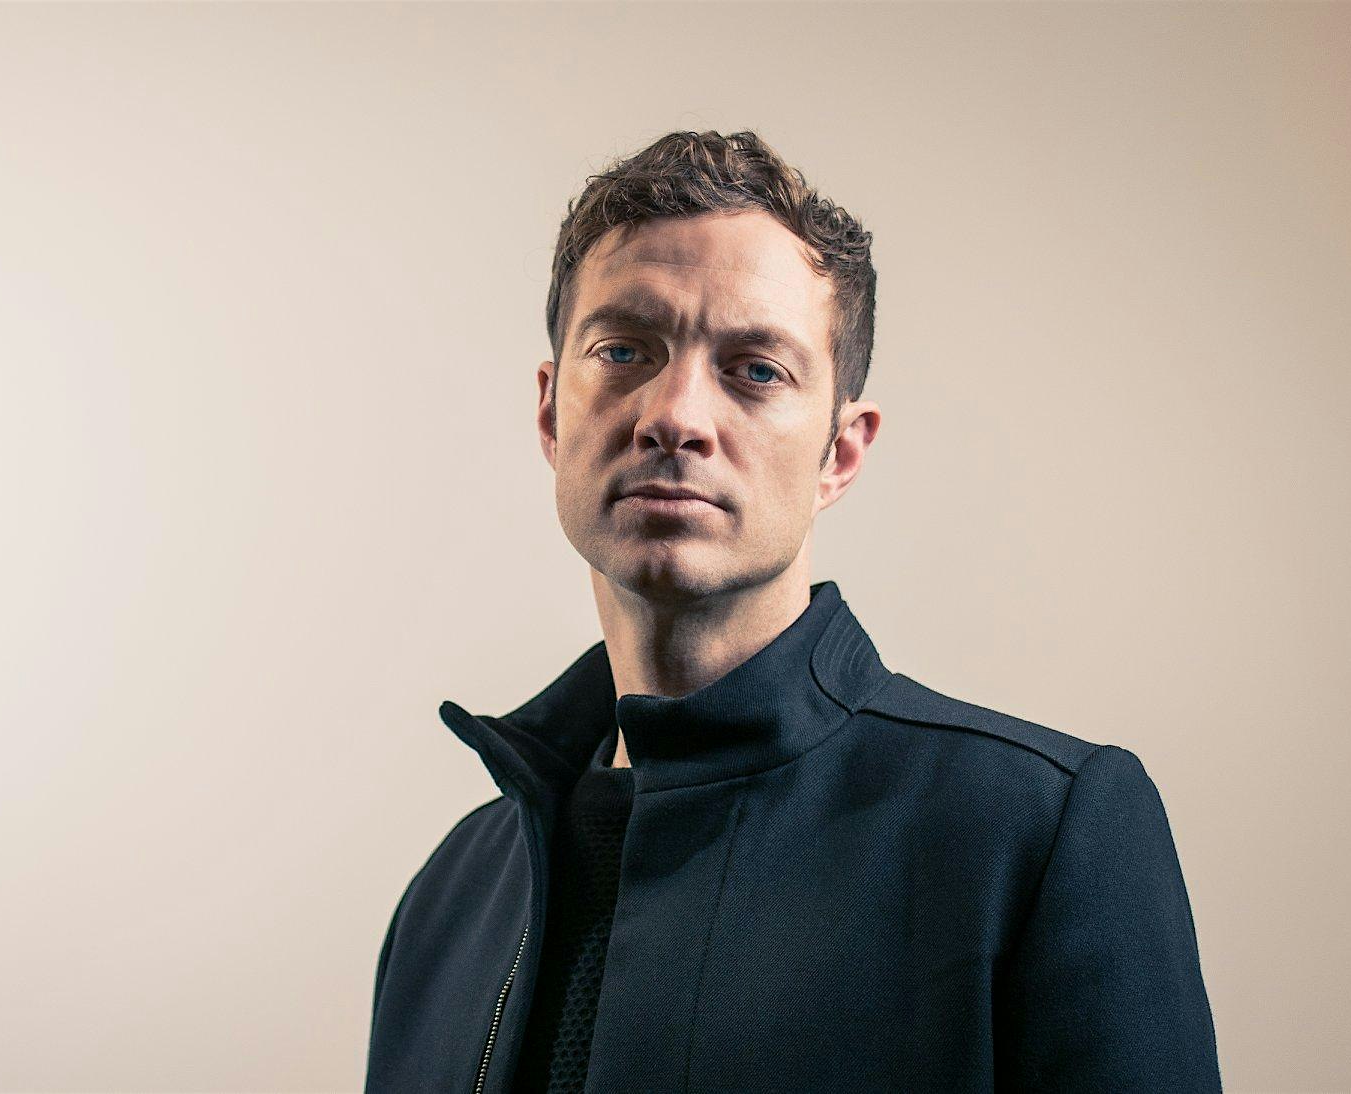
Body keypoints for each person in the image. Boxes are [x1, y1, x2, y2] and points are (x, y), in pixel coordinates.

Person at [363, 130, 1220, 1093]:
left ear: (840, 455)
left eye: (756, 369)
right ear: (552, 412)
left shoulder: (1033, 833)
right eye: (624, 350)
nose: (675, 416)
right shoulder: (449, 898)